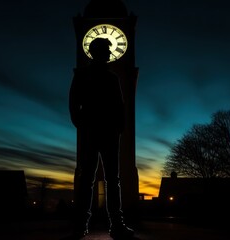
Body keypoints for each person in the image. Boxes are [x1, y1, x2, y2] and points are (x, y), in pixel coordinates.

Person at [69, 37, 134, 239]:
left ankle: (108, 225)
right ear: (97, 51)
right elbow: (74, 104)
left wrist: (118, 128)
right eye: (106, 49)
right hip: (96, 132)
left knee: (105, 179)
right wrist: (82, 124)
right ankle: (100, 225)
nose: (109, 53)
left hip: (105, 133)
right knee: (95, 178)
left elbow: (120, 106)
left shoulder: (110, 77)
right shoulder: (85, 76)